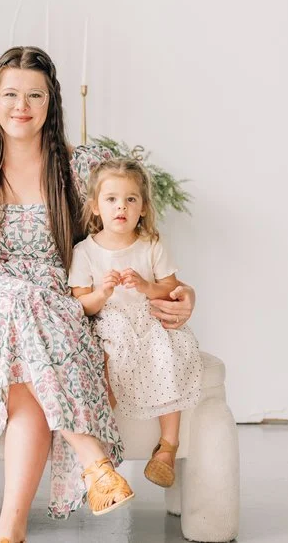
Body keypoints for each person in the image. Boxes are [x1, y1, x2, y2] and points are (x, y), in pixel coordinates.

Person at [0, 46, 196, 543]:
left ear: (51, 103)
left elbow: (129, 241)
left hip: (65, 303)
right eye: (11, 94)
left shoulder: (82, 167)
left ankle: (10, 531)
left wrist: (180, 291)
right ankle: (93, 462)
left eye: (34, 95)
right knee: (17, 297)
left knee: (29, 388)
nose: (22, 105)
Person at [68, 157, 202, 490]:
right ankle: (101, 446)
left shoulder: (151, 244)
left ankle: (167, 447)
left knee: (170, 353)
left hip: (147, 316)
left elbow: (171, 288)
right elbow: (80, 302)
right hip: (108, 321)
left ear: (142, 208)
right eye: (111, 199)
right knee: (109, 361)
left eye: (131, 199)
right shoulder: (85, 251)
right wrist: (103, 292)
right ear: (96, 207)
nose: (121, 207)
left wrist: (146, 287)